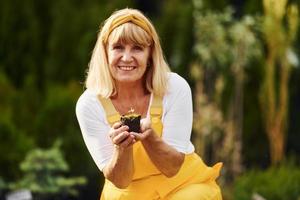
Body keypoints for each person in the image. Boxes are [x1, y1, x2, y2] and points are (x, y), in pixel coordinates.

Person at [76, 8, 222, 200]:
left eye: (137, 48)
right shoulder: (89, 103)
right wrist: (122, 148)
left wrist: (150, 138)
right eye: (118, 47)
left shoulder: (174, 87)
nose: (127, 57)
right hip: (128, 193)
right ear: (105, 52)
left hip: (183, 184)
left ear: (150, 54)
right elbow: (120, 181)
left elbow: (172, 168)